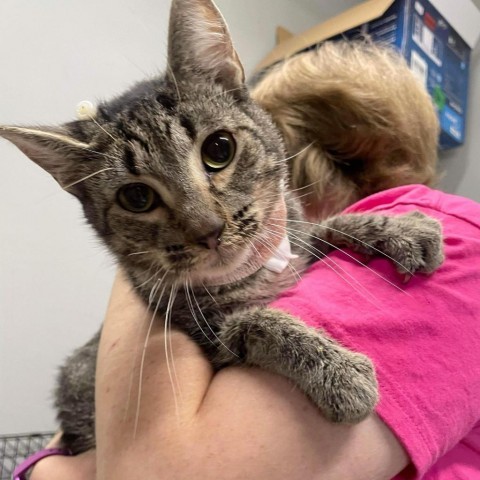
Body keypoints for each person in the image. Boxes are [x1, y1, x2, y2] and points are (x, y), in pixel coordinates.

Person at [28, 43, 480, 479]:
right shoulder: (244, 240)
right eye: (140, 196)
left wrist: (52, 468)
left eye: (217, 152)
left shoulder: (461, 244)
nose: (204, 226)